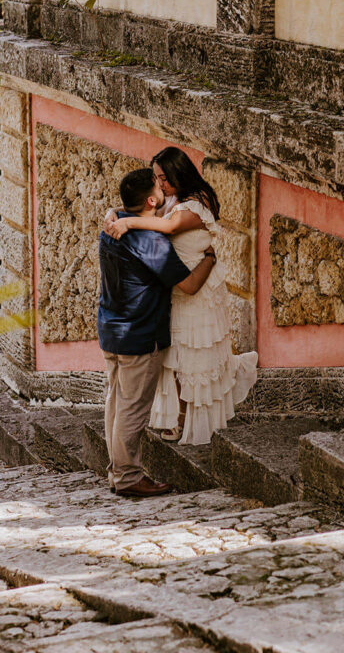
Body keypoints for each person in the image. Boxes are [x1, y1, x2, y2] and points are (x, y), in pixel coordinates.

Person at [107, 147, 258, 446]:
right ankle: (181, 415)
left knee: (194, 356)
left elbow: (169, 225)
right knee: (176, 357)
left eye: (164, 178)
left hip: (199, 293)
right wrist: (114, 212)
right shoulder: (173, 199)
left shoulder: (196, 204)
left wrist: (127, 222)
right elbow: (145, 208)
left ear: (179, 172)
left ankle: (188, 417)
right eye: (157, 178)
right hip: (177, 289)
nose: (160, 184)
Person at [98, 166, 217, 497]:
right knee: (133, 409)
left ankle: (117, 472)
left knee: (116, 402)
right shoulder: (150, 242)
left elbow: (144, 214)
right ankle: (127, 477)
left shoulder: (112, 225)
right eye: (158, 186)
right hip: (140, 334)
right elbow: (189, 285)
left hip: (111, 328)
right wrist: (209, 258)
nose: (163, 188)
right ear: (151, 200)